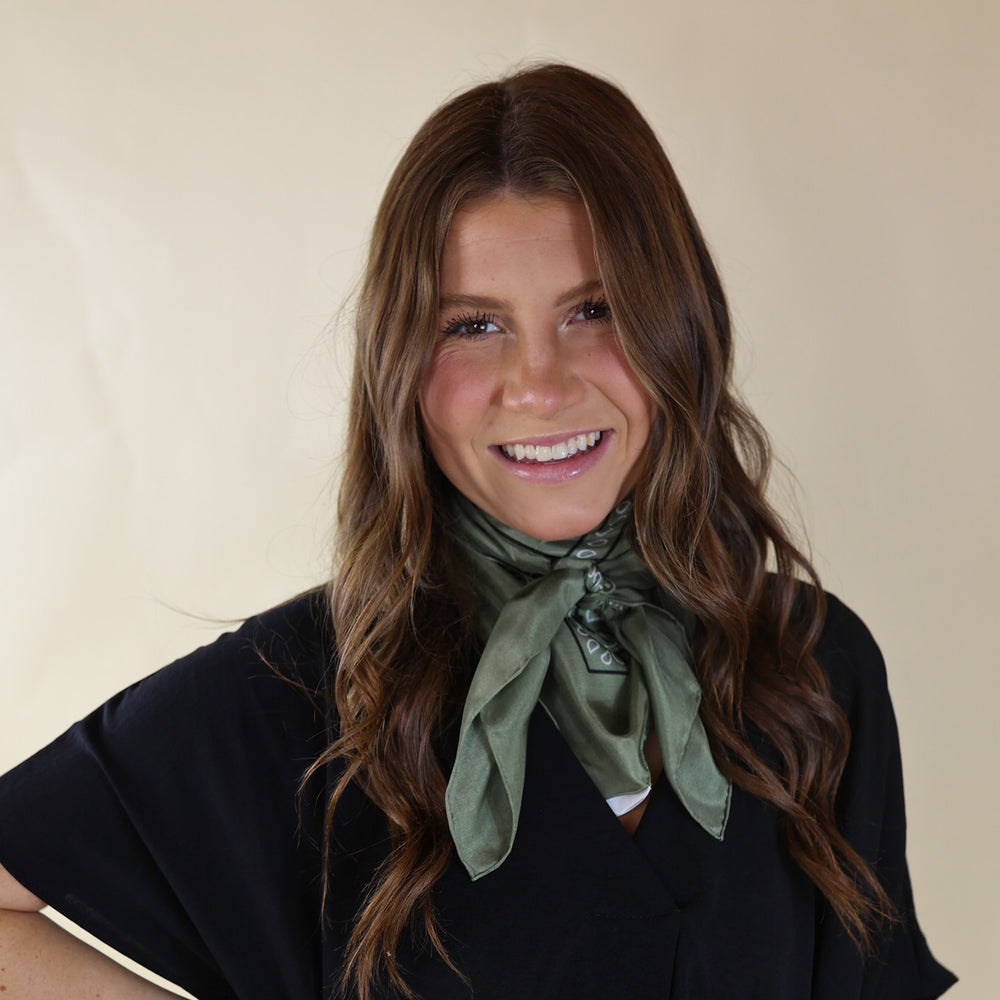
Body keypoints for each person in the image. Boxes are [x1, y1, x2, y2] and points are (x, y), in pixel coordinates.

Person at [0, 63, 955, 1000]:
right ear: (403, 364)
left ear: (680, 328)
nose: (539, 384)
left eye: (595, 310)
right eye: (473, 326)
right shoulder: (297, 696)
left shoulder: (813, 667)